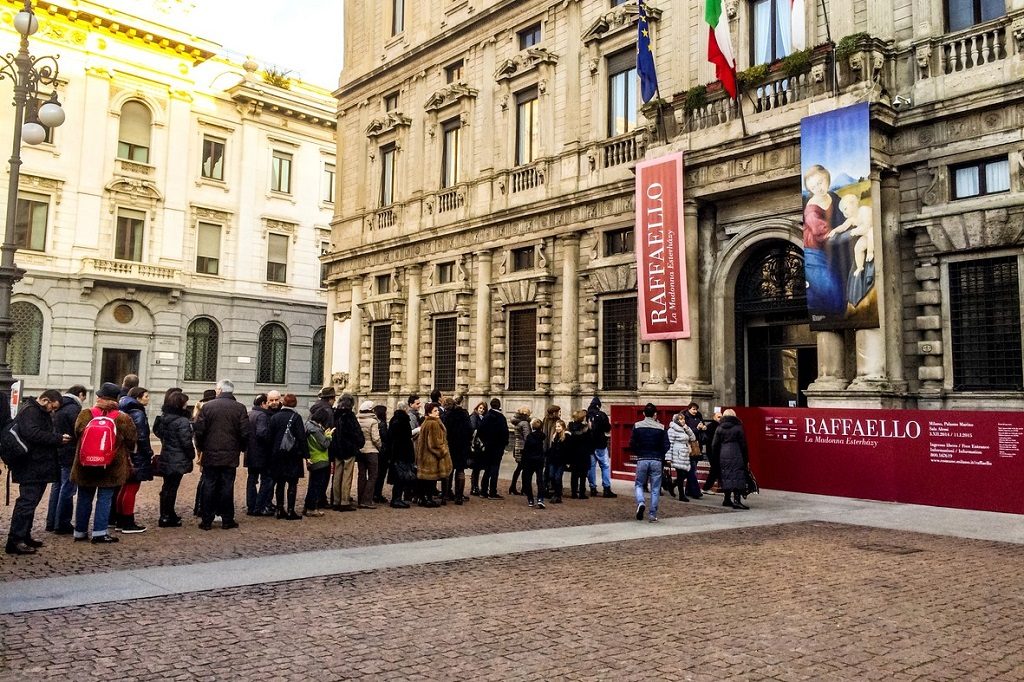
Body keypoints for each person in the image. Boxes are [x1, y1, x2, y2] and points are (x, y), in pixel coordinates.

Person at [5, 390, 69, 555]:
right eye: (51, 407)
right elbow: (33, 434)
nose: (52, 411)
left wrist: (56, 437)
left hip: (37, 466)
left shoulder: (37, 411)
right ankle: (15, 540)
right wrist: (57, 439)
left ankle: (24, 535)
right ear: (45, 400)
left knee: (30, 503)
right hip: (30, 465)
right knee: (26, 503)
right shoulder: (31, 411)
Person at [71, 382, 137, 544]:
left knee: (84, 497)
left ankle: (80, 531)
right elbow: (132, 439)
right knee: (105, 498)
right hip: (111, 465)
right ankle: (99, 532)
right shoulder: (122, 417)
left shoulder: (86, 414)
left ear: (99, 397)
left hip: (85, 464)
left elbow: (77, 432)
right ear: (116, 399)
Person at [192, 379, 251, 530]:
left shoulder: (208, 407)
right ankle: (227, 519)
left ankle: (206, 520)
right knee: (227, 486)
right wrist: (241, 448)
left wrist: (201, 448)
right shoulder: (240, 408)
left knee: (209, 485)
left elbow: (199, 431)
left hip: (211, 452)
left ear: (219, 390)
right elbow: (245, 432)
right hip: (230, 454)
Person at [802, 163, 847, 317]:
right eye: (813, 187)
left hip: (833, 248)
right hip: (815, 253)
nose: (818, 188)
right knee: (830, 291)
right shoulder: (811, 209)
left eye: (820, 183)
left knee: (842, 286)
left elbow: (844, 214)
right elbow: (822, 233)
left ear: (827, 177)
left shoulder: (833, 197)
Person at [44, 384, 87, 535]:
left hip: (57, 451)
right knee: (67, 488)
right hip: (70, 452)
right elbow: (79, 431)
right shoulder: (73, 409)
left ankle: (51, 521)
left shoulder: (58, 408)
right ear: (80, 394)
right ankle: (62, 523)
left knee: (57, 487)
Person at [152, 391, 195, 527]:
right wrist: (191, 454)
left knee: (167, 487)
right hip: (178, 458)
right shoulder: (182, 421)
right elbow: (186, 442)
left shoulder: (164, 418)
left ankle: (167, 514)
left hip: (167, 456)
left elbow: (158, 432)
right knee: (172, 488)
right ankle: (166, 516)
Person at [115, 387, 154, 533]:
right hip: (137, 455)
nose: (148, 398)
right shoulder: (138, 413)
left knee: (125, 487)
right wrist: (148, 452)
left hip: (126, 453)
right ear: (138, 398)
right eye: (146, 396)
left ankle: (120, 520)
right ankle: (128, 522)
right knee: (132, 488)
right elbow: (142, 437)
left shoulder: (124, 410)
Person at [268, 393, 308, 520]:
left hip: (277, 454)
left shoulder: (275, 417)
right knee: (292, 483)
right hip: (292, 454)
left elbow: (269, 437)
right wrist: (306, 455)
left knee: (279, 483)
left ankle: (280, 509)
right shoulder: (296, 417)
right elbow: (302, 438)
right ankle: (291, 510)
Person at [629, 403, 670, 523]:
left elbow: (632, 443)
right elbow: (666, 445)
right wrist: (661, 454)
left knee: (639, 484)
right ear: (655, 414)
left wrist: (639, 452)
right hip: (656, 459)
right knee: (655, 488)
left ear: (643, 414)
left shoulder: (637, 426)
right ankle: (652, 514)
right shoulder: (661, 427)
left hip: (642, 458)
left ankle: (641, 502)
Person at [712, 409, 751, 510]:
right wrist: (746, 459)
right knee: (737, 475)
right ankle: (737, 500)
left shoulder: (719, 427)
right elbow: (743, 444)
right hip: (736, 452)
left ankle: (727, 498)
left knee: (726, 475)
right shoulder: (738, 427)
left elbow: (714, 445)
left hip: (723, 453)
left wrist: (715, 457)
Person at [329, 393, 363, 511]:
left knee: (337, 475)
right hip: (348, 449)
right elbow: (357, 433)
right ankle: (344, 501)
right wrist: (359, 444)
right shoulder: (349, 416)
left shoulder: (335, 415)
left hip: (337, 449)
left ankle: (336, 500)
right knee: (347, 476)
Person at [414, 402, 452, 507]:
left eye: (437, 410)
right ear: (430, 412)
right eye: (435, 411)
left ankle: (423, 498)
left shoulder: (426, 422)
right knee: (431, 480)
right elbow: (434, 443)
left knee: (425, 480)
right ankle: (428, 499)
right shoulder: (433, 423)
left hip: (424, 456)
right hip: (431, 457)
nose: (438, 412)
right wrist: (443, 451)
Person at [245, 393, 276, 516]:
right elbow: (262, 433)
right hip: (262, 453)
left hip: (251, 453)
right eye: (268, 402)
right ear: (263, 403)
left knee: (252, 480)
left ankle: (251, 506)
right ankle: (259, 506)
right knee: (266, 480)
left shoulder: (250, 414)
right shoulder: (262, 415)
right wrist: (270, 441)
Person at [442, 395, 473, 504]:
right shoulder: (464, 414)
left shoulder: (446, 416)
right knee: (460, 471)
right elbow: (470, 429)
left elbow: (444, 432)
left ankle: (446, 495)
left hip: (450, 446)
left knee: (448, 471)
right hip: (462, 446)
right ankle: (459, 497)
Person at [477, 398, 509, 499]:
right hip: (498, 447)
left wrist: (485, 441)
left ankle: (483, 491)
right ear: (499, 406)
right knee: (495, 469)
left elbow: (480, 431)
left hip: (488, 446)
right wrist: (504, 444)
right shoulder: (501, 418)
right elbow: (505, 433)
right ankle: (492, 492)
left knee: (487, 468)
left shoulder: (486, 417)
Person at [303, 410, 333, 516]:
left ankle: (307, 507)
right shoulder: (316, 430)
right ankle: (312, 508)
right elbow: (324, 444)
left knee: (312, 485)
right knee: (316, 486)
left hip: (313, 458)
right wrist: (329, 435)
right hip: (320, 459)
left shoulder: (308, 426)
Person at [586, 397, 616, 498]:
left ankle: (592, 488)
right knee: (605, 466)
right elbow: (607, 428)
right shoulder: (602, 415)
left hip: (589, 443)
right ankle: (606, 488)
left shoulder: (587, 415)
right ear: (598, 405)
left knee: (592, 466)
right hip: (600, 443)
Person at [386, 403, 415, 508]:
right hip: (402, 452)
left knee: (399, 476)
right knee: (401, 477)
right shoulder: (403, 421)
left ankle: (397, 498)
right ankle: (396, 499)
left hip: (396, 452)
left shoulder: (394, 419)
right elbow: (406, 436)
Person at [356, 400, 382, 509]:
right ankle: (366, 500)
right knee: (373, 475)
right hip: (371, 450)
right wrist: (380, 447)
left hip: (360, 450)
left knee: (361, 475)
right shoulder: (373, 421)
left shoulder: (357, 419)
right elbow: (375, 438)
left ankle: (360, 498)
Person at [666, 411, 697, 502]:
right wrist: (668, 458)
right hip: (677, 454)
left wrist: (687, 428)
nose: (683, 421)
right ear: (676, 420)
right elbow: (670, 444)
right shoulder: (672, 430)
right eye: (680, 419)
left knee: (686, 474)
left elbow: (693, 438)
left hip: (685, 454)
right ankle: (681, 495)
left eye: (683, 419)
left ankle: (672, 485)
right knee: (681, 474)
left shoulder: (684, 429)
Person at [681, 403, 706, 500]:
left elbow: (702, 427)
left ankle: (688, 489)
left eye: (696, 409)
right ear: (689, 409)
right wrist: (697, 429)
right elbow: (687, 431)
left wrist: (703, 427)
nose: (695, 411)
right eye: (693, 409)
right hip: (688, 445)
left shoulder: (699, 416)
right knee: (692, 468)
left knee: (692, 467)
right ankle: (695, 491)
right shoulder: (685, 417)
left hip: (697, 445)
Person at [520, 418, 546, 509]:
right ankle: (540, 498)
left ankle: (530, 499)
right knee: (540, 480)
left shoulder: (529, 437)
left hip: (529, 461)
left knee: (527, 480)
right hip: (539, 460)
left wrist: (523, 459)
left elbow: (526, 450)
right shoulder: (543, 436)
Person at [566, 409, 592, 500]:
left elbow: (568, 440)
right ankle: (581, 493)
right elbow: (589, 440)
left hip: (573, 453)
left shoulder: (570, 426)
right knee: (583, 475)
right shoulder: (585, 428)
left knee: (574, 474)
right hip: (583, 453)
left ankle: (573, 492)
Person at [508, 406, 531, 496]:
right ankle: (524, 488)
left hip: (517, 446)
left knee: (519, 468)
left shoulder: (517, 422)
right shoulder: (525, 423)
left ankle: (513, 486)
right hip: (523, 448)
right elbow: (527, 437)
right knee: (525, 469)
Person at [546, 419, 568, 503]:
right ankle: (556, 493)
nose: (557, 428)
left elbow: (567, 450)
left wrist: (567, 461)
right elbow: (552, 448)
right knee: (551, 476)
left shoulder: (566, 437)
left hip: (561, 461)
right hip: (553, 460)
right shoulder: (555, 436)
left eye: (559, 426)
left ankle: (557, 495)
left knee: (558, 477)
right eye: (556, 426)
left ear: (563, 427)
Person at [372, 404, 390, 504]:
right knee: (380, 474)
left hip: (377, 451)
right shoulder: (382, 424)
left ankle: (376, 493)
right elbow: (384, 438)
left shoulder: (377, 423)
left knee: (377, 474)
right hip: (382, 452)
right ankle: (377, 494)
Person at [701, 410, 723, 494]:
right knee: (715, 469)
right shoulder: (711, 427)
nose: (720, 418)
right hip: (713, 452)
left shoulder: (718, 426)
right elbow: (709, 440)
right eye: (718, 417)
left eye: (721, 417)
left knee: (716, 469)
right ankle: (706, 488)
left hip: (715, 451)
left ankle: (721, 486)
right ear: (714, 417)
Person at [469, 400, 488, 496]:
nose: (481, 410)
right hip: (476, 446)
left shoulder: (483, 418)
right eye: (480, 408)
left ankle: (475, 486)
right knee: (476, 467)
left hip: (480, 446)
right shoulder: (474, 417)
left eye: (483, 409)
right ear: (477, 408)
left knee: (478, 467)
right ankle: (474, 487)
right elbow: (473, 429)